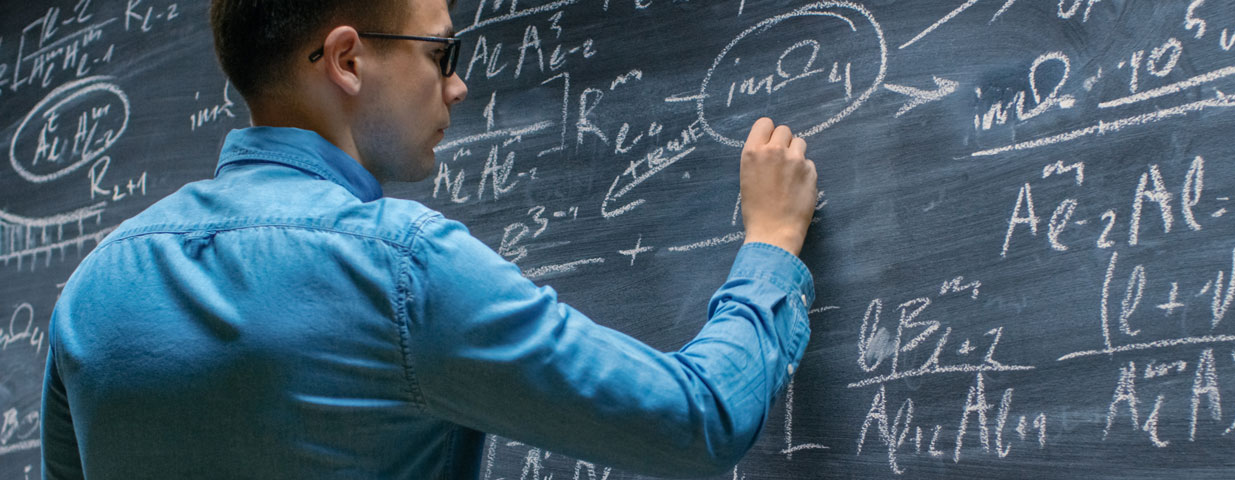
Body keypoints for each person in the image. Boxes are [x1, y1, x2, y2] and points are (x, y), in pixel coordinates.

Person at [40, 0, 818, 478]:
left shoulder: (94, 290)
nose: (457, 84)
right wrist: (773, 246)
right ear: (348, 59)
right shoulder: (402, 272)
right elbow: (699, 420)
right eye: (440, 52)